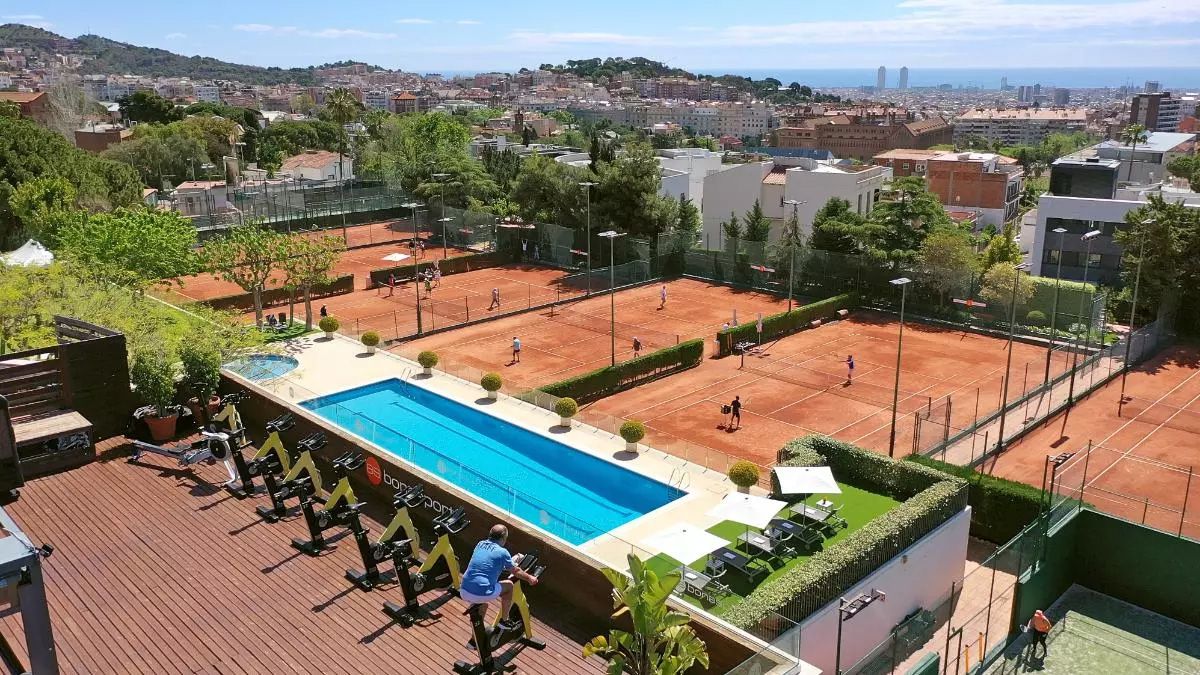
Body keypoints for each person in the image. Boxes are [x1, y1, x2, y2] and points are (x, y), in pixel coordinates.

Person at [459, 525, 539, 630]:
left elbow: (488, 563)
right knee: (509, 586)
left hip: (464, 590)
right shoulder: (503, 552)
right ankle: (504, 621)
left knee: (483, 606)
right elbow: (516, 571)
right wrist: (530, 578)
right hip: (481, 592)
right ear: (502, 538)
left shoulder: (480, 544)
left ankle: (474, 641)